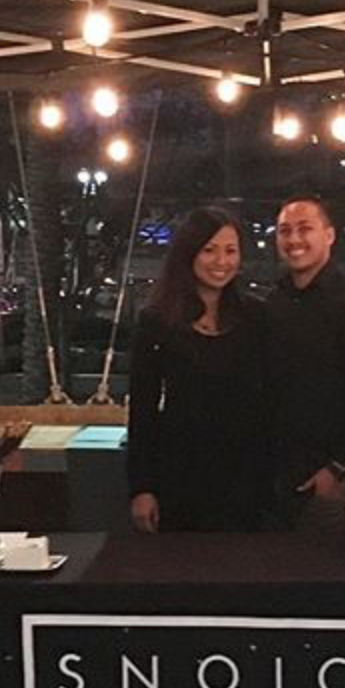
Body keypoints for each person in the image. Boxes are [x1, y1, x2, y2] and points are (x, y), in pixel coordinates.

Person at [127, 206, 268, 532]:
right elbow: (143, 409)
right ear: (189, 253)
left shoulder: (257, 317)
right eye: (210, 250)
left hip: (246, 477)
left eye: (231, 251)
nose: (222, 261)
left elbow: (272, 398)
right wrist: (141, 488)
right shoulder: (157, 321)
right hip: (179, 475)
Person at [265, 195, 345, 531]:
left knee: (328, 579)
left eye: (305, 229)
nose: (293, 240)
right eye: (284, 231)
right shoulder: (274, 302)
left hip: (331, 485)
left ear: (329, 236)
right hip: (274, 482)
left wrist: (336, 469)